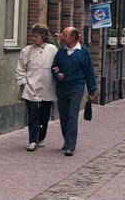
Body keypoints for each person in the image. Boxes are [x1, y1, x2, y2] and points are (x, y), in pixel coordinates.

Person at [51, 26, 98, 156]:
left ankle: (70, 146)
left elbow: (89, 72)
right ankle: (67, 140)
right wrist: (57, 73)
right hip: (62, 88)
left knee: (72, 115)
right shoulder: (61, 51)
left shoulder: (84, 52)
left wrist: (92, 91)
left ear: (73, 37)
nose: (62, 37)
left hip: (77, 87)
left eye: (65, 35)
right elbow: (54, 66)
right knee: (64, 115)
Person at [15, 24, 58, 152]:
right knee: (33, 114)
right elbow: (20, 68)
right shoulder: (26, 51)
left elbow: (58, 64)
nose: (33, 39)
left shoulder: (52, 49)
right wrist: (23, 83)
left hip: (47, 87)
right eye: (32, 36)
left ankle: (41, 137)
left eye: (36, 36)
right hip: (30, 87)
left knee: (44, 115)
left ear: (43, 37)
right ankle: (32, 140)